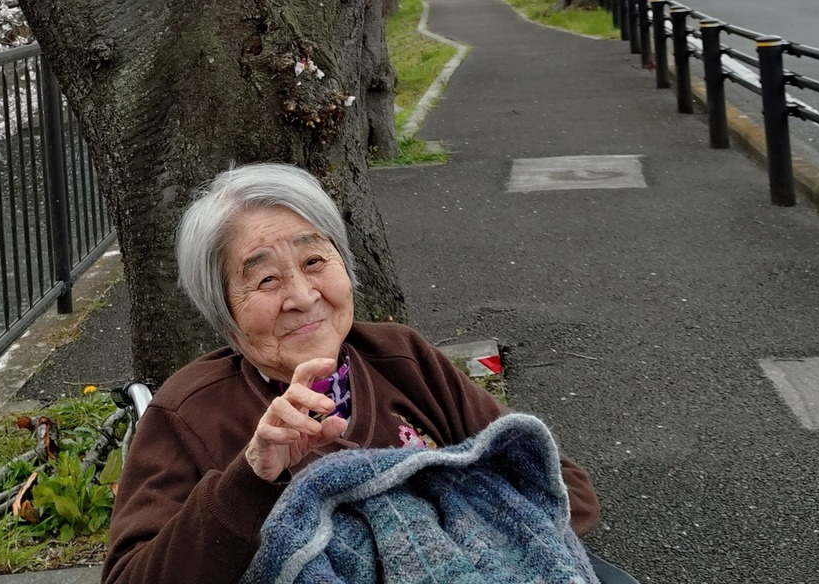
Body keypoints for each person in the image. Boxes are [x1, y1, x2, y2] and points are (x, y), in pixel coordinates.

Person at [104, 163, 603, 584]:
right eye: (266, 279)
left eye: (315, 260)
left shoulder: (400, 356)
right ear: (224, 312)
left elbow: (561, 485)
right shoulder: (189, 411)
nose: (301, 295)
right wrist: (251, 479)